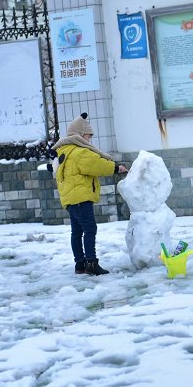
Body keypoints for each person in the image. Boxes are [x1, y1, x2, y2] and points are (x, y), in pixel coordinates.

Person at [53, 113, 128, 275]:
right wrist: (116, 168)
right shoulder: (80, 152)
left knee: (77, 231)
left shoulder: (65, 150)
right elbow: (97, 164)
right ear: (80, 135)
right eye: (88, 136)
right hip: (81, 197)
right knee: (89, 229)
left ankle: (80, 264)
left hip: (70, 199)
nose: (89, 140)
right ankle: (91, 263)